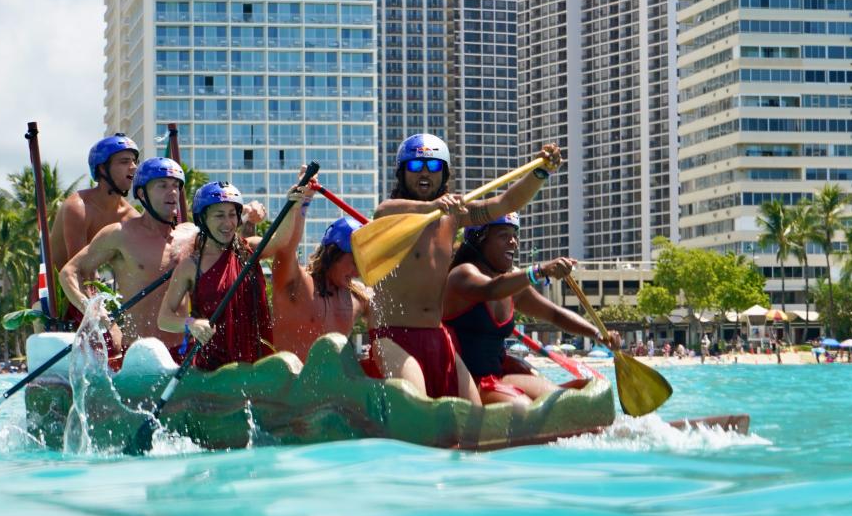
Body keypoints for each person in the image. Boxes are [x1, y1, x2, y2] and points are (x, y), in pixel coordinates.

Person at [367, 133, 562, 403]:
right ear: (401, 173)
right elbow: (382, 211)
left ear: (444, 173)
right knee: (417, 404)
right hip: (392, 336)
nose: (424, 172)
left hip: (437, 336)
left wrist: (539, 173)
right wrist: (432, 207)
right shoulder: (391, 213)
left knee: (473, 416)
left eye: (433, 166)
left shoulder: (454, 216)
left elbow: (504, 204)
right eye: (415, 166)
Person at [441, 212, 618, 403]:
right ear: (479, 240)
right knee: (525, 406)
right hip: (465, 385)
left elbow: (554, 314)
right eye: (503, 236)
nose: (513, 242)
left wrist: (598, 334)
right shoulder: (462, 274)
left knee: (576, 395)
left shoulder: (513, 287)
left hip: (498, 376)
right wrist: (540, 271)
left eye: (514, 236)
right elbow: (491, 290)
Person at [61, 157, 202, 358]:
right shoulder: (120, 234)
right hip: (141, 356)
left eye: (176, 186)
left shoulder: (192, 235)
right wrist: (90, 309)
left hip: (185, 352)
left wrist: (248, 221)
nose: (172, 192)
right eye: (162, 185)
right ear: (142, 193)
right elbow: (70, 272)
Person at [158, 182, 279, 371]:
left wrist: (300, 203)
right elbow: (164, 319)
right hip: (210, 369)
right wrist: (191, 324)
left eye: (232, 215)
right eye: (219, 215)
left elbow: (283, 241)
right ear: (203, 219)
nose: (228, 223)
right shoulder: (189, 266)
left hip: (255, 362)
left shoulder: (250, 250)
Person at [265, 169, 369, 362]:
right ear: (332, 254)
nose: (357, 272)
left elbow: (397, 316)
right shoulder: (296, 283)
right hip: (286, 386)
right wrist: (302, 203)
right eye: (354, 262)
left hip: (331, 389)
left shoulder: (359, 296)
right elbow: (286, 249)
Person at [50, 134, 141, 275]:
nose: (134, 167)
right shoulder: (78, 207)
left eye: (135, 162)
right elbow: (78, 271)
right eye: (124, 162)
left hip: (89, 287)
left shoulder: (131, 218)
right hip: (55, 292)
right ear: (103, 169)